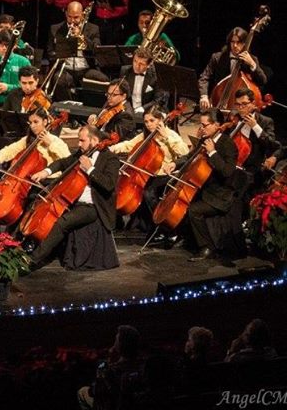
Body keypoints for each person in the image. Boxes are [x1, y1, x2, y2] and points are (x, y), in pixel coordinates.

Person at [28, 125, 119, 269]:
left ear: (94, 140)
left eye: (82, 141)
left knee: (62, 223)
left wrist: (90, 169)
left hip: (93, 206)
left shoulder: (110, 159)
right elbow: (63, 162)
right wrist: (46, 171)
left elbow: (109, 185)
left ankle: (33, 260)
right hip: (74, 202)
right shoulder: (82, 154)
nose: (79, 144)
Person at [108, 107, 189, 234]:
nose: (149, 124)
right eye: (146, 121)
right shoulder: (145, 135)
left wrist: (166, 137)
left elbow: (185, 152)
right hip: (148, 174)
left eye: (152, 120)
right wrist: (110, 149)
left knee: (148, 193)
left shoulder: (171, 135)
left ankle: (162, 225)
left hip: (165, 174)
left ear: (161, 120)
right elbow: (129, 145)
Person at [185, 109, 238, 262]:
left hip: (220, 195)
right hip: (204, 189)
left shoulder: (227, 144)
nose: (202, 129)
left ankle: (207, 247)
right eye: (200, 125)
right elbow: (190, 158)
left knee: (193, 210)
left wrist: (213, 153)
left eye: (205, 125)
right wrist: (174, 164)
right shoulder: (205, 139)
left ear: (216, 125)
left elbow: (227, 172)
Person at [197, 26, 268, 111]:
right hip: (219, 101)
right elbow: (204, 77)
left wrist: (252, 64)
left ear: (245, 43)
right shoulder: (218, 57)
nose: (235, 45)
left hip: (241, 108)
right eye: (232, 42)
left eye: (239, 42)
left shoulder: (252, 59)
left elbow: (263, 81)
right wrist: (204, 96)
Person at [46, 1, 106, 101]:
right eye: (70, 17)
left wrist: (81, 37)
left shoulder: (93, 29)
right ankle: (67, 107)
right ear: (66, 14)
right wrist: (61, 51)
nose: (72, 21)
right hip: (66, 69)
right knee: (59, 80)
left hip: (86, 68)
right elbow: (50, 52)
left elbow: (97, 50)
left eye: (76, 17)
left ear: (82, 15)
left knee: (103, 80)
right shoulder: (55, 29)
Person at [76, 325, 142, 410]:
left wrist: (107, 362)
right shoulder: (142, 364)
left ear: (119, 346)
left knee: (82, 392)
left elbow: (94, 391)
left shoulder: (109, 369)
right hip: (133, 403)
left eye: (116, 341)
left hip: (114, 404)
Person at [119, 47, 167, 118]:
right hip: (129, 110)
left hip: (149, 111)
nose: (136, 66)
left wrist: (143, 108)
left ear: (149, 64)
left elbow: (158, 100)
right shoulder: (125, 71)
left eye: (141, 64)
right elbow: (122, 93)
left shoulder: (156, 75)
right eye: (135, 61)